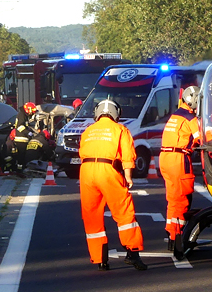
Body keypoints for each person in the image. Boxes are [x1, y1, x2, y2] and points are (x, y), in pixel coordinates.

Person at [79, 99, 147, 271]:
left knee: (91, 215)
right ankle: (133, 253)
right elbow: (128, 155)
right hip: (108, 170)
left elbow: (81, 152)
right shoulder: (120, 129)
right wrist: (128, 176)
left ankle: (100, 259)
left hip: (86, 171)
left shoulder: (88, 131)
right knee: (123, 212)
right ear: (116, 114)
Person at [159, 86, 201, 251]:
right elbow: (201, 138)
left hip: (165, 158)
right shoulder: (190, 118)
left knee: (173, 199)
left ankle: (171, 235)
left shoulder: (175, 115)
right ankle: (178, 238)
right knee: (183, 199)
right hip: (179, 158)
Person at [5, 102, 38, 171]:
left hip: (22, 139)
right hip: (21, 139)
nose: (32, 113)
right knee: (21, 157)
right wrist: (28, 133)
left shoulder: (23, 115)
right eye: (32, 111)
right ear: (28, 109)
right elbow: (19, 127)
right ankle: (19, 170)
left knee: (20, 156)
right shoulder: (22, 115)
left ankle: (18, 169)